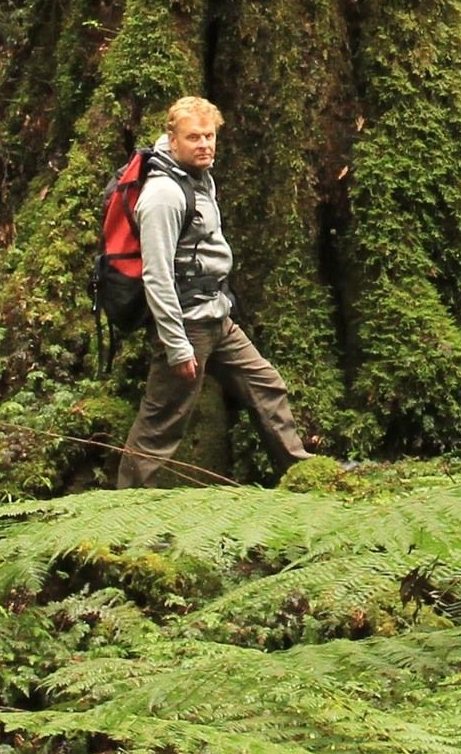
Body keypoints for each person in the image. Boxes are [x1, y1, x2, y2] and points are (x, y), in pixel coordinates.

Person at [119, 95, 318, 486]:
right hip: (188, 325)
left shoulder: (197, 179)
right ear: (172, 139)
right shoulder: (163, 195)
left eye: (209, 136)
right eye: (194, 137)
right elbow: (156, 276)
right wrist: (177, 345)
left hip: (215, 316)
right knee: (161, 423)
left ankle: (301, 471)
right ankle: (124, 512)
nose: (205, 145)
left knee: (265, 384)